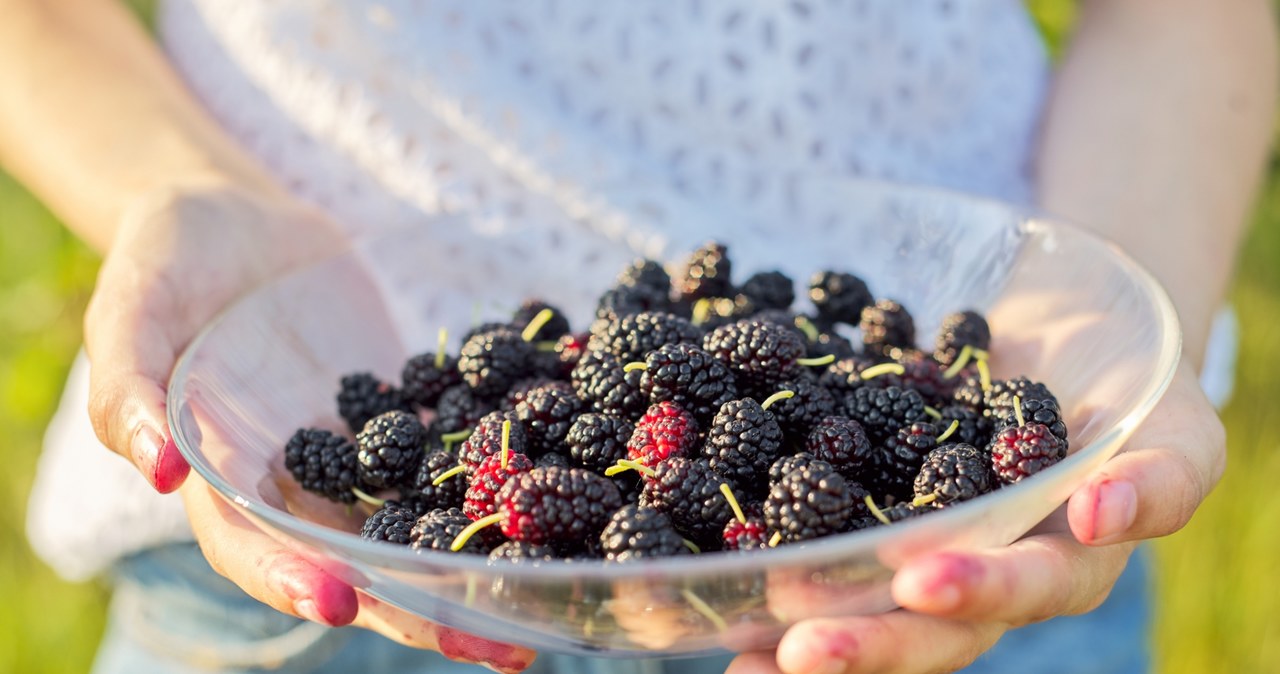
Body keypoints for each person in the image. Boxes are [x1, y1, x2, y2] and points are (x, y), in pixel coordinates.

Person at [3, 1, 1273, 672]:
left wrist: (1103, 314)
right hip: (327, 583)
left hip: (963, 566)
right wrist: (173, 182)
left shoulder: (855, 400)